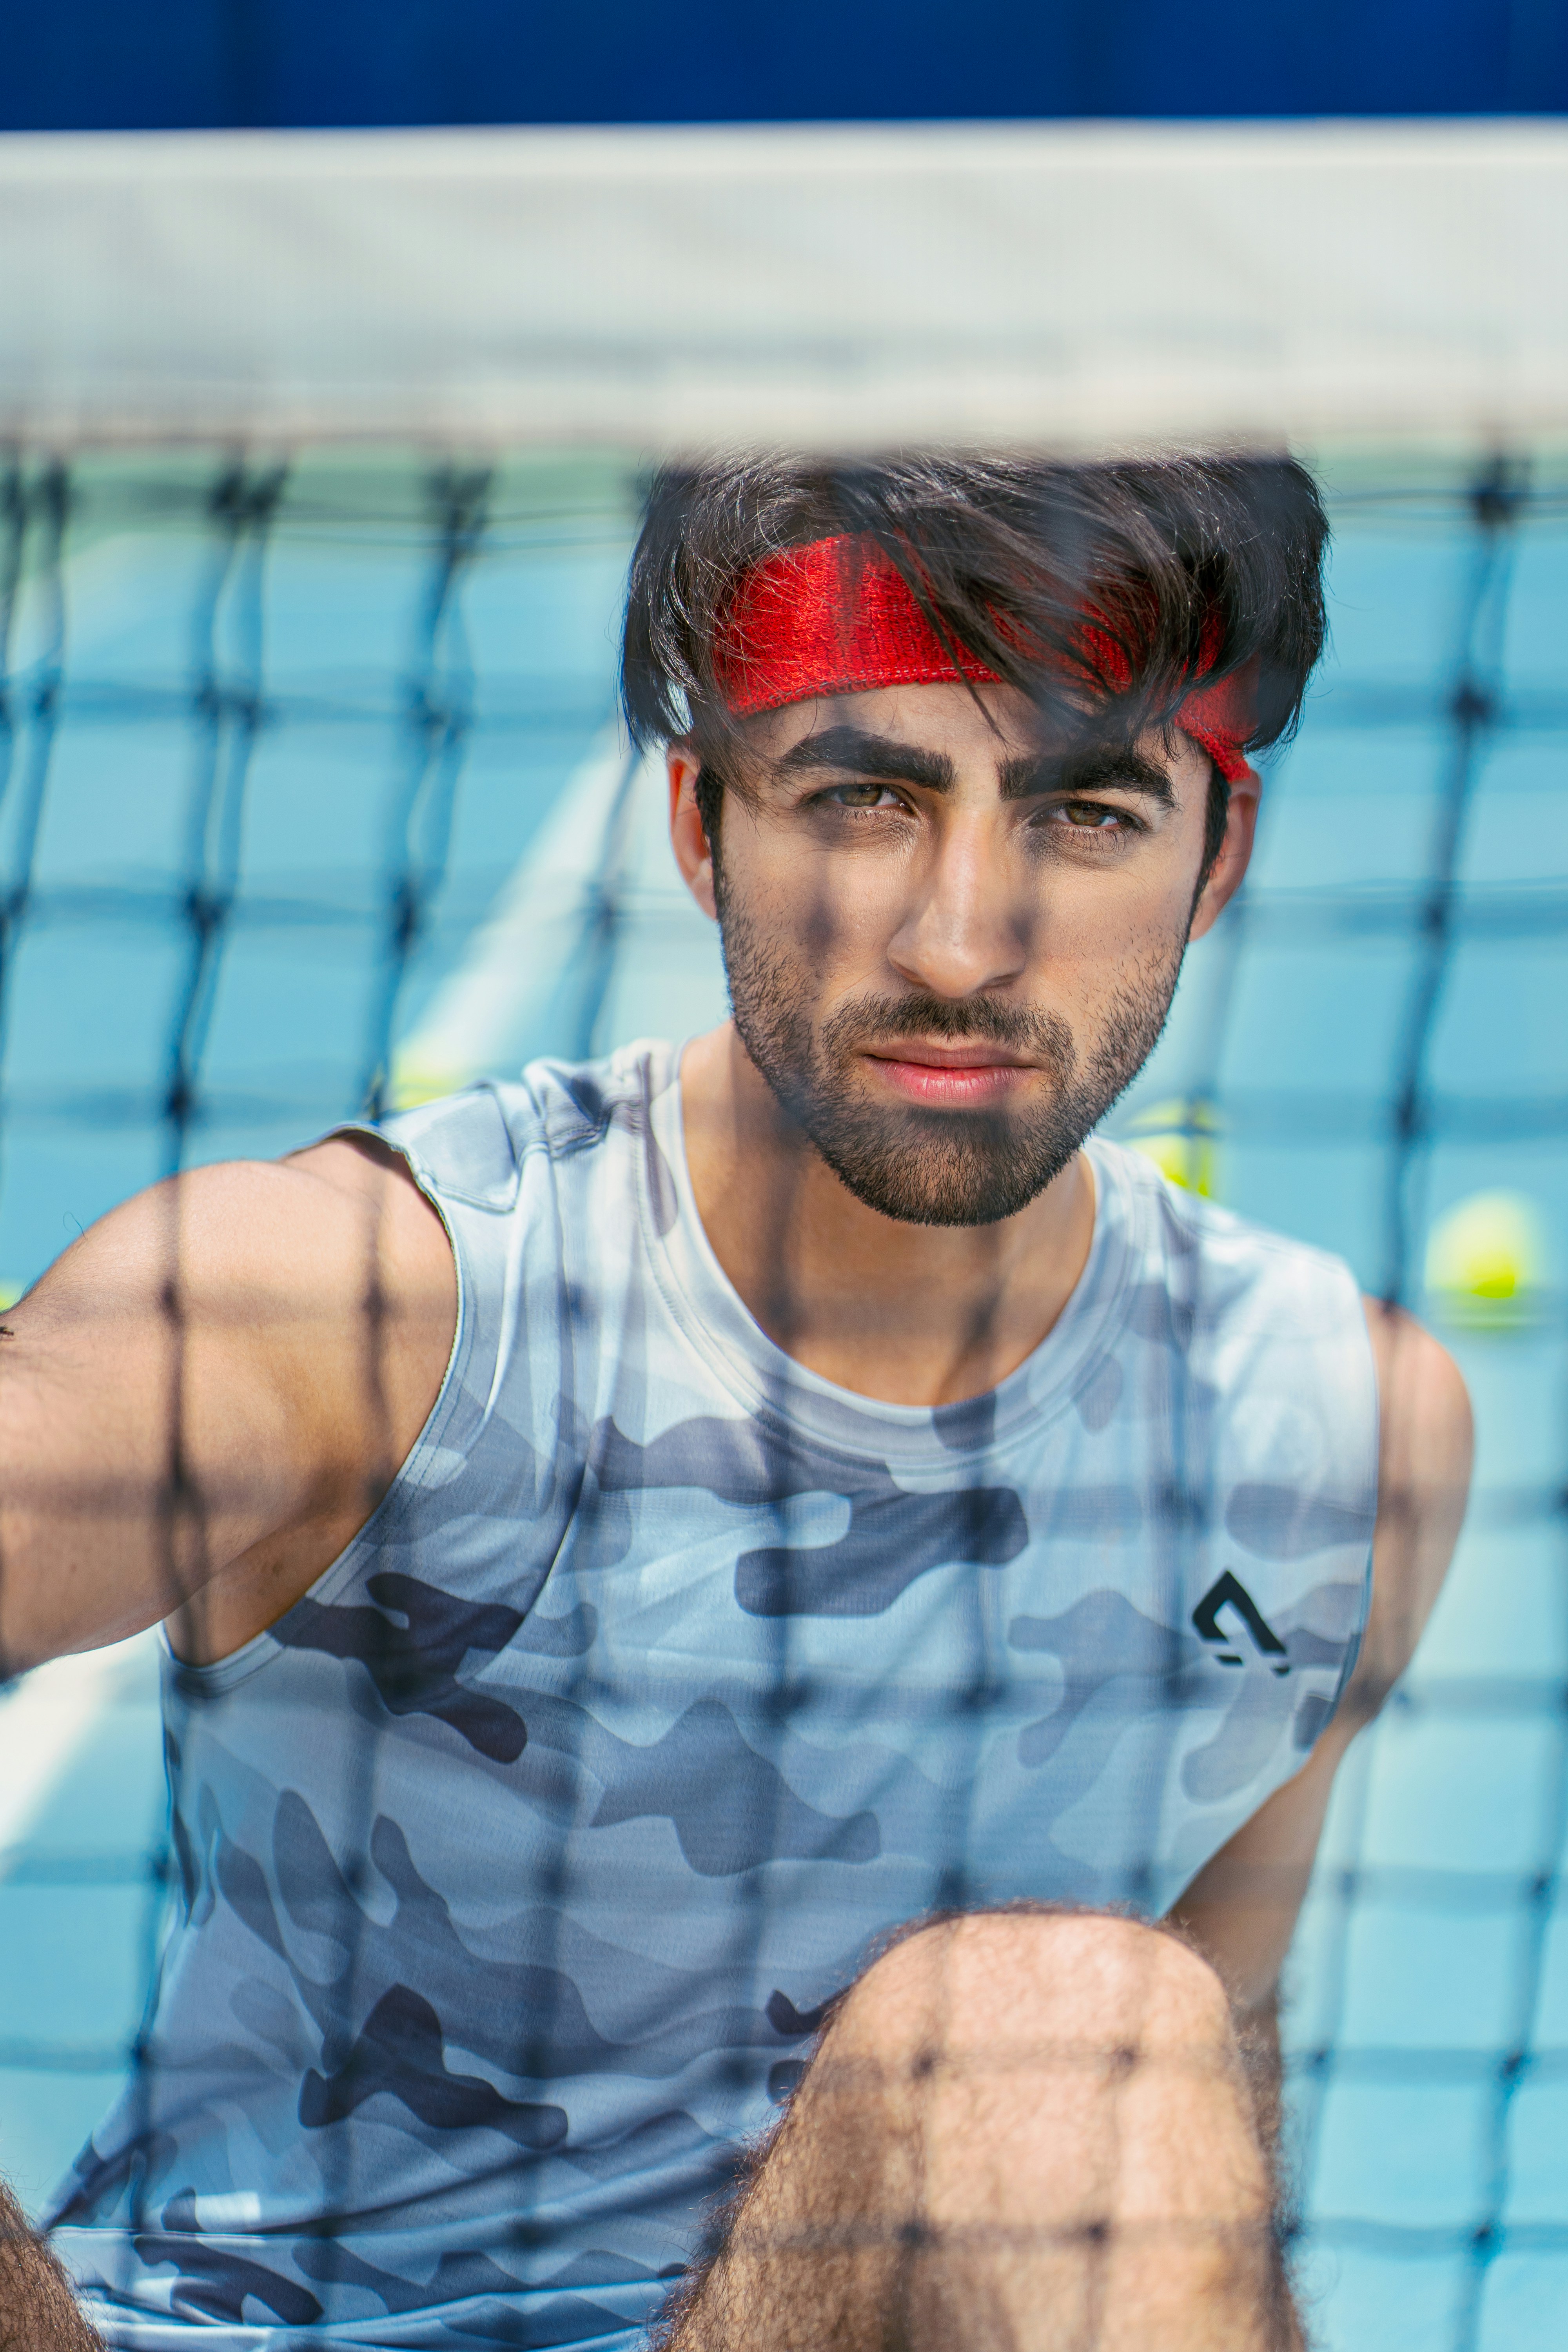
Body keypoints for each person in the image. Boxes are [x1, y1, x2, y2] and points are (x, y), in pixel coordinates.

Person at [0, 453, 1470, 2352]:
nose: (958, 940)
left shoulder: (1334, 1438)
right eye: (862, 797)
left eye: (1086, 811)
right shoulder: (352, 1304)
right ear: (702, 822)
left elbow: (1170, 2160)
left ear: (1217, 858)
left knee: (1081, 2040)